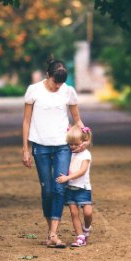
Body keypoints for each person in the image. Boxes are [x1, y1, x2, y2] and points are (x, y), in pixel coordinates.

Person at [22, 59, 86, 248]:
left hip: (62, 146)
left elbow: (77, 121)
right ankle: (51, 230)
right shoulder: (34, 90)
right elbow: (26, 121)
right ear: (47, 75)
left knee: (60, 187)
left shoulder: (68, 91)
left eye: (61, 82)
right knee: (47, 190)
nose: (58, 86)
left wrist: (86, 139)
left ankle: (53, 234)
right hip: (40, 146)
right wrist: (25, 149)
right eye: (54, 82)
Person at [56, 125, 93, 247]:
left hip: (83, 188)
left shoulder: (86, 155)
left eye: (76, 144)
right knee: (74, 213)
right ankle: (80, 236)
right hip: (70, 188)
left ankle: (86, 228)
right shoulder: (68, 153)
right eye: (70, 144)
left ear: (83, 142)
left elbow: (82, 171)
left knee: (87, 212)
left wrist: (67, 178)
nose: (72, 147)